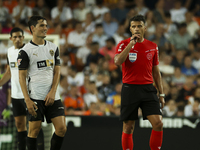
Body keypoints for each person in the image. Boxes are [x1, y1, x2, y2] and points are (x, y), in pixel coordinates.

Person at [114, 14, 165, 150]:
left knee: (158, 123)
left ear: (145, 28)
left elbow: (156, 72)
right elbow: (118, 61)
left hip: (148, 89)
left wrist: (161, 93)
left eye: (139, 26)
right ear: (130, 29)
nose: (136, 29)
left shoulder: (153, 46)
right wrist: (131, 44)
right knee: (128, 127)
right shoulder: (123, 44)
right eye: (134, 26)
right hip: (130, 88)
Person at [17, 16, 66, 150]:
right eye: (42, 25)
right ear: (32, 28)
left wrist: (53, 91)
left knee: (61, 128)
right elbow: (21, 77)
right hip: (35, 97)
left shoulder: (53, 47)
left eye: (46, 25)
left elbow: (57, 72)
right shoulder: (25, 51)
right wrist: (27, 99)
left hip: (53, 96)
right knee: (34, 131)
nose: (45, 28)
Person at [0, 27, 44, 150]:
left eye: (20, 36)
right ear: (11, 39)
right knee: (20, 125)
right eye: (15, 37)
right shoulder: (10, 52)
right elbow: (9, 72)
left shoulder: (30, 51)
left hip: (30, 95)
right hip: (16, 95)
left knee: (35, 127)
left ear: (23, 37)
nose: (18, 39)